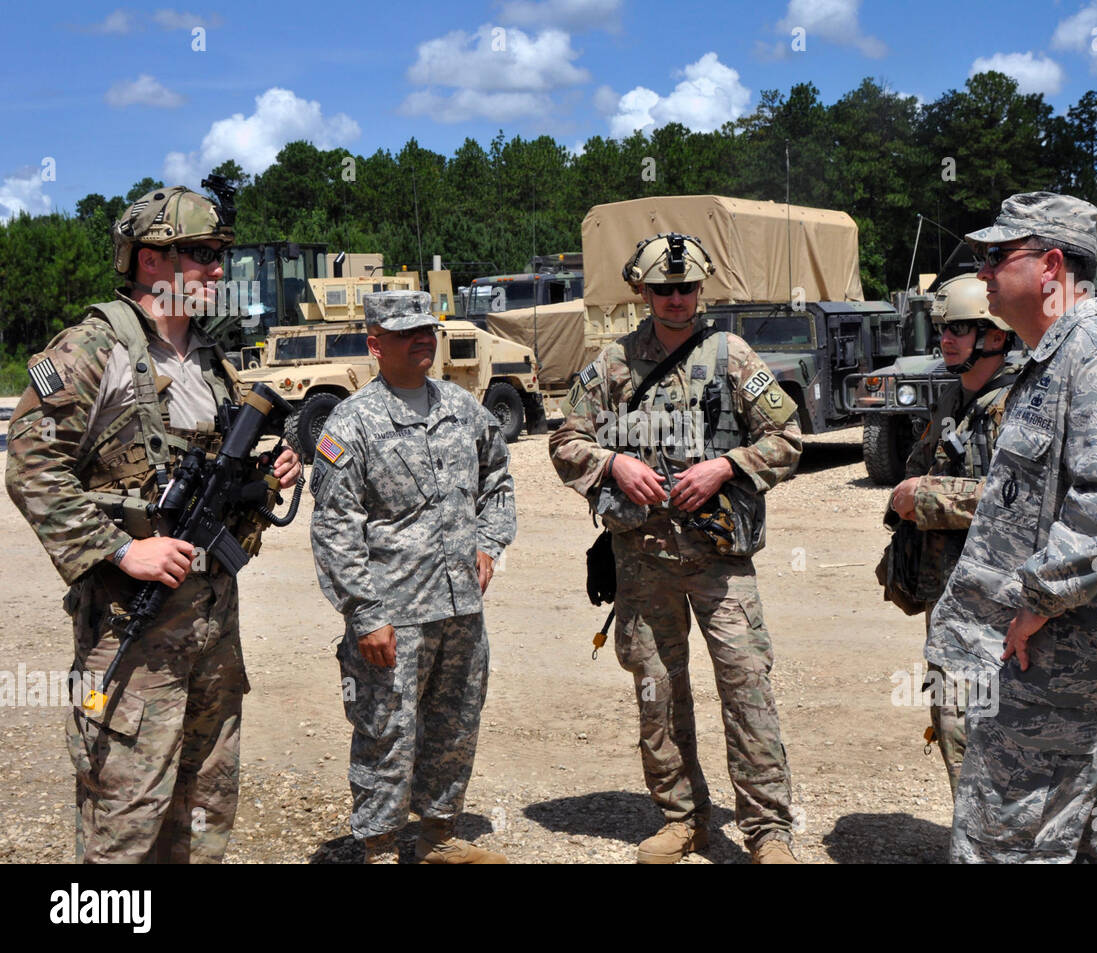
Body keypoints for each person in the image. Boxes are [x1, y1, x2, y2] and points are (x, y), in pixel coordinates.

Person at [5, 184, 301, 863]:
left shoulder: (209, 359)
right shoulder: (94, 348)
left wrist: (266, 476)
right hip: (132, 635)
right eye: (200, 254)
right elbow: (29, 464)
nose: (217, 271)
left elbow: (215, 478)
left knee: (203, 819)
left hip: (211, 632)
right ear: (148, 262)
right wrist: (117, 548)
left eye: (220, 255)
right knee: (125, 828)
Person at [549, 232, 803, 864]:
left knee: (747, 688)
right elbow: (564, 443)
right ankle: (680, 818)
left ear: (700, 289)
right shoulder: (612, 364)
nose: (676, 299)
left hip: (720, 560)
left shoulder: (732, 355)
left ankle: (769, 832)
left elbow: (789, 438)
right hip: (644, 560)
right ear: (642, 291)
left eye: (686, 288)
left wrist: (727, 466)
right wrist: (611, 464)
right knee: (658, 691)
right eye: (662, 289)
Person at [927, 192, 1097, 863]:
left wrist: (1037, 599)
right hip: (1047, 670)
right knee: (1085, 838)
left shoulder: (1094, 355)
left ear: (1051, 265)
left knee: (1002, 842)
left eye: (998, 255)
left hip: (1052, 669)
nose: (984, 270)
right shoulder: (1046, 360)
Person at [309, 290, 516, 864]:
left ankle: (437, 839)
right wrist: (365, 614)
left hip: (461, 609)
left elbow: (497, 481)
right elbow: (334, 529)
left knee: (455, 724)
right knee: (386, 733)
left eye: (427, 330)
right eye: (405, 334)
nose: (422, 340)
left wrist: (490, 543)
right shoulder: (350, 424)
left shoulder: (463, 407)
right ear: (376, 345)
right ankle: (376, 846)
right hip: (392, 614)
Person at [885, 273, 1023, 799]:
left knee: (988, 729)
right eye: (943, 328)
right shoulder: (952, 402)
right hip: (948, 601)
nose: (946, 338)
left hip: (999, 605)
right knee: (952, 721)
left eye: (961, 328)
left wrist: (923, 497)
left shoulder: (1015, 404)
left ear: (995, 336)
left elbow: (1021, 501)